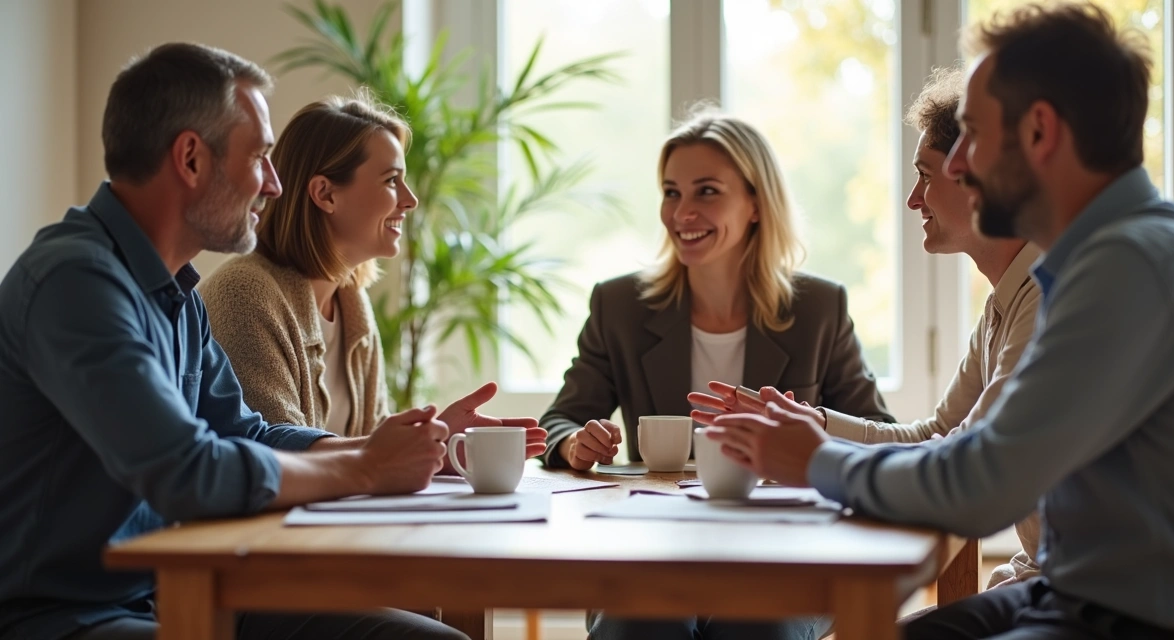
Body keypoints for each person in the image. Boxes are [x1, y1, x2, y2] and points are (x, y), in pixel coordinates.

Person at [707, 3, 1174, 639]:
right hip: (1074, 590)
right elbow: (962, 446)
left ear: (1039, 132)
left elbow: (983, 485)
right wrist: (815, 439)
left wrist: (817, 461)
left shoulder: (1128, 266)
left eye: (971, 134)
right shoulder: (1106, 256)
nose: (954, 166)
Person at [0, 44, 467, 640]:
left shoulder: (177, 297)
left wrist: (378, 449)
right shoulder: (76, 282)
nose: (274, 184)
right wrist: (366, 470)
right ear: (191, 159)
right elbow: (188, 471)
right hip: (62, 618)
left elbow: (248, 431)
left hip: (168, 598)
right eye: (260, 157)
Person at [543, 111, 892, 640]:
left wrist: (808, 434)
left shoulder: (820, 307)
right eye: (670, 192)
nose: (682, 212)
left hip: (785, 558)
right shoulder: (619, 305)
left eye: (706, 192)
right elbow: (561, 420)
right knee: (640, 626)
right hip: (653, 553)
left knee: (753, 627)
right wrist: (575, 445)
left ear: (756, 204)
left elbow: (876, 433)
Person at [692, 66, 1042, 590]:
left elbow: (965, 465)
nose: (913, 199)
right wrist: (815, 422)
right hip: (1043, 581)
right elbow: (935, 436)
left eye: (925, 175)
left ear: (977, 177)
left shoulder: (1044, 299)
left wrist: (816, 457)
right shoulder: (1003, 305)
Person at [198, 96, 545, 469]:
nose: (410, 201)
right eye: (392, 180)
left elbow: (376, 450)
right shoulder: (245, 293)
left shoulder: (351, 303)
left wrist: (442, 449)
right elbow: (274, 458)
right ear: (325, 194)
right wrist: (419, 442)